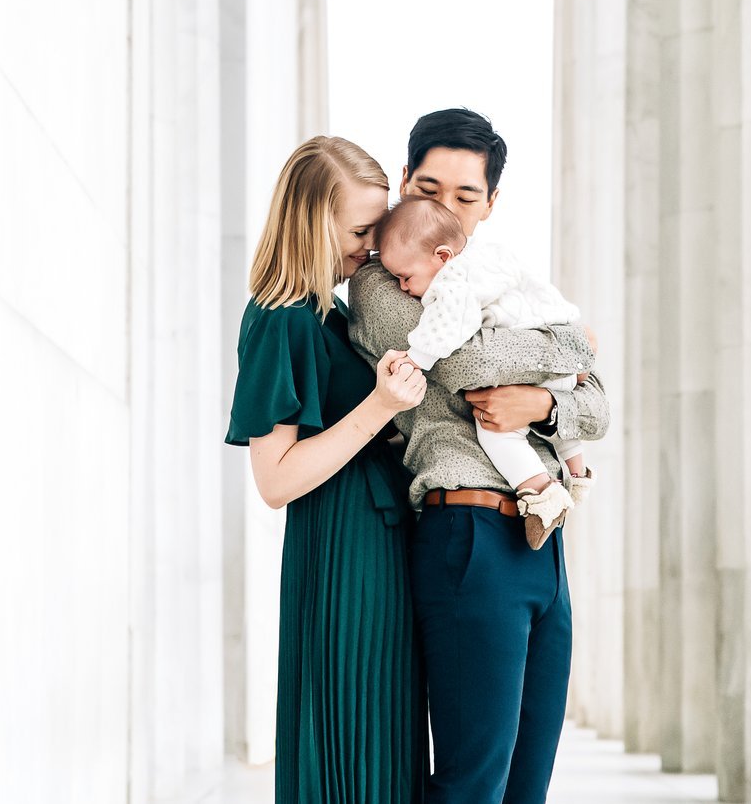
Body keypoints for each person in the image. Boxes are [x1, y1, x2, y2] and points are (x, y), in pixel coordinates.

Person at [348, 107, 611, 804]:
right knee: (472, 784)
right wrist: (574, 347)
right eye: (429, 189)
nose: (445, 209)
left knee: (527, 787)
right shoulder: (386, 280)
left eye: (466, 196)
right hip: (467, 535)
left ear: (491, 202)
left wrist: (542, 405)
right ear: (405, 181)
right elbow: (472, 358)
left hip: (540, 548)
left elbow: (598, 407)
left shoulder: (494, 276)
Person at [226, 135, 429, 804]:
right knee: (349, 747)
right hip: (343, 558)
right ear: (314, 221)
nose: (370, 247)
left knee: (384, 744)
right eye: (360, 230)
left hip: (381, 550)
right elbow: (274, 478)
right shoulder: (279, 319)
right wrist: (378, 407)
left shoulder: (333, 314)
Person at [371, 195, 592, 547]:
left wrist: (417, 358)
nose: (402, 287)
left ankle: (541, 494)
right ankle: (577, 472)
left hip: (530, 369)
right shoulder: (491, 257)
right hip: (559, 356)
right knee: (557, 413)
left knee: (497, 431)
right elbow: (583, 350)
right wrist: (577, 351)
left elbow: (452, 335)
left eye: (405, 276)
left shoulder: (452, 281)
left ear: (442, 256)